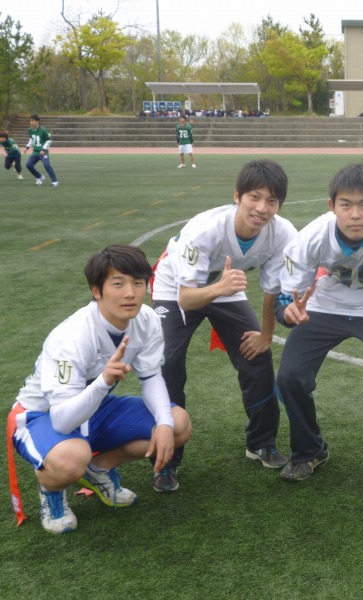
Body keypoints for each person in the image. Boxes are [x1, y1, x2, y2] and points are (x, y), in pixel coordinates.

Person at [9, 245, 192, 534]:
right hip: (41, 414)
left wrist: (165, 423)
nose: (130, 293)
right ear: (97, 291)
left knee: (178, 423)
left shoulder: (146, 319)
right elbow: (62, 420)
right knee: (71, 459)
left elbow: (151, 376)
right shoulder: (71, 336)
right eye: (118, 284)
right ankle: (51, 489)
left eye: (138, 283)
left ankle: (99, 468)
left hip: (93, 407)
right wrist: (104, 381)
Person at [274, 164, 363, 495]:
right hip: (328, 305)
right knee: (290, 376)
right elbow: (286, 297)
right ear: (332, 206)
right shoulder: (312, 236)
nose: (355, 215)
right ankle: (309, 451)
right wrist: (288, 313)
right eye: (346, 205)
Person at [151, 159, 296, 491]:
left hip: (224, 286)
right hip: (177, 288)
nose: (262, 208)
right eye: (254, 197)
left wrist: (266, 335)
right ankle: (166, 462)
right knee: (167, 363)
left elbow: (273, 290)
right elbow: (187, 298)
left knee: (256, 355)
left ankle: (261, 442)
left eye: (271, 201)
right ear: (237, 196)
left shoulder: (283, 233)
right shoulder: (204, 230)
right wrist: (219, 288)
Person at [23, 114, 59, 186]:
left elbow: (49, 140)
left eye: (32, 121)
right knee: (28, 165)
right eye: (30, 121)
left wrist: (43, 149)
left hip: (43, 152)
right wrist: (27, 147)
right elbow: (31, 139)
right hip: (35, 152)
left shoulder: (43, 130)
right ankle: (39, 177)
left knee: (46, 165)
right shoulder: (30, 130)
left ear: (37, 121)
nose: (31, 122)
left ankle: (55, 181)